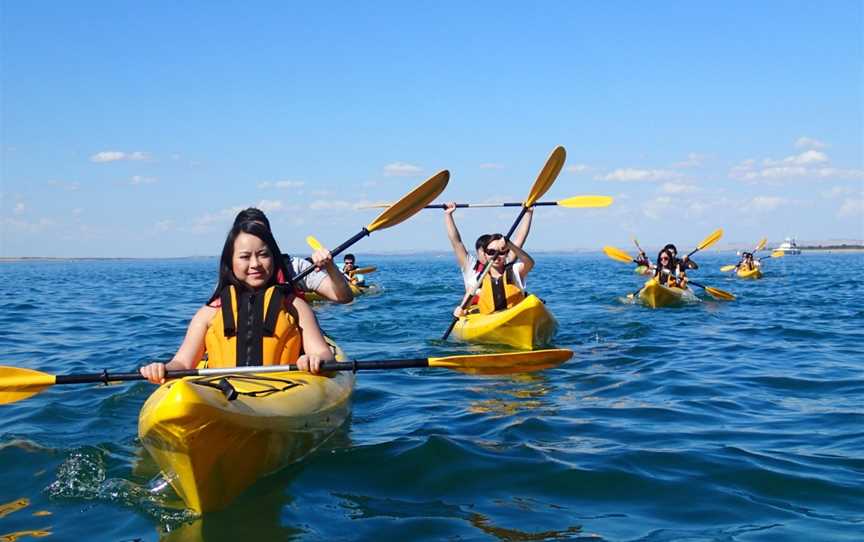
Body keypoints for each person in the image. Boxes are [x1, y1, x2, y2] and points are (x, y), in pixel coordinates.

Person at [140, 221, 333, 383]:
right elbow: (182, 363)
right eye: (244, 257)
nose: (255, 264)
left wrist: (314, 359)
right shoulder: (208, 314)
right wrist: (162, 368)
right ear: (230, 262)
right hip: (223, 394)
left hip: (282, 391)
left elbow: (324, 354)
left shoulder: (296, 307)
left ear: (274, 259)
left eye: (263, 254)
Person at [233, 208, 353, 303]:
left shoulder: (294, 267)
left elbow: (344, 297)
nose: (255, 264)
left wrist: (330, 266)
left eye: (261, 234)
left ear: (271, 237)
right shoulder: (230, 278)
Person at [443, 202, 533, 295]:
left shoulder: (504, 261)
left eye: (496, 251)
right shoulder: (470, 266)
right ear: (480, 252)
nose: (494, 255)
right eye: (489, 252)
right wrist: (448, 215)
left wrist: (528, 213)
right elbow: (456, 242)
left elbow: (520, 238)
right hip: (480, 307)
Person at [455, 234, 534, 316]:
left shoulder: (515, 270)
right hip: (491, 319)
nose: (496, 256)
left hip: (516, 315)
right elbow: (465, 304)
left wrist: (510, 245)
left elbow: (530, 263)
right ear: (485, 255)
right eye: (491, 252)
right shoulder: (478, 279)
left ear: (506, 254)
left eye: (501, 252)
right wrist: (461, 310)